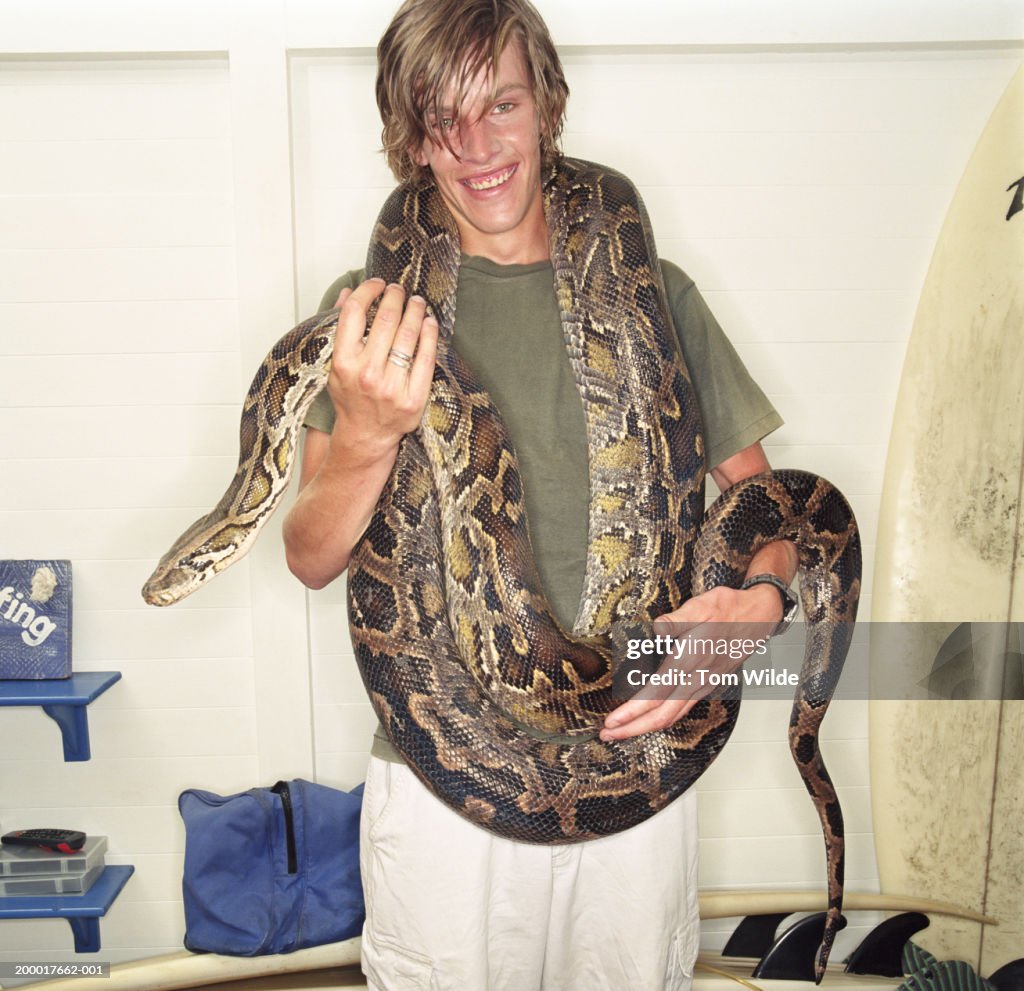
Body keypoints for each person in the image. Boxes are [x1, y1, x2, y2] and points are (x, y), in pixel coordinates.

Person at [283, 1, 797, 988]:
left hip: (639, 773)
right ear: (410, 137)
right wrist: (367, 432)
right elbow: (311, 555)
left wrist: (756, 606)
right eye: (443, 118)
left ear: (545, 106)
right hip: (441, 788)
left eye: (502, 105)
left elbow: (766, 513)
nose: (477, 147)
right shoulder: (370, 316)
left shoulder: (657, 294)